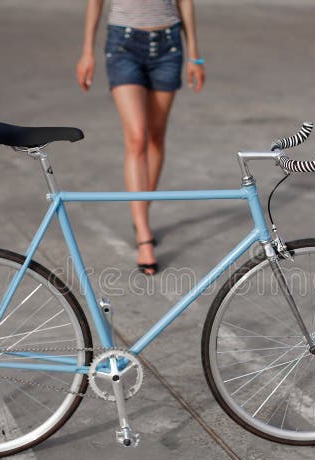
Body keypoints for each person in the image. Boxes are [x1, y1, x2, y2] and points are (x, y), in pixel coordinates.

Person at [76, 0, 205, 275]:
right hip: (123, 44)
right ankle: (144, 233)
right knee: (137, 137)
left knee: (156, 137)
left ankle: (140, 212)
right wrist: (87, 52)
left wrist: (194, 54)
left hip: (169, 44)